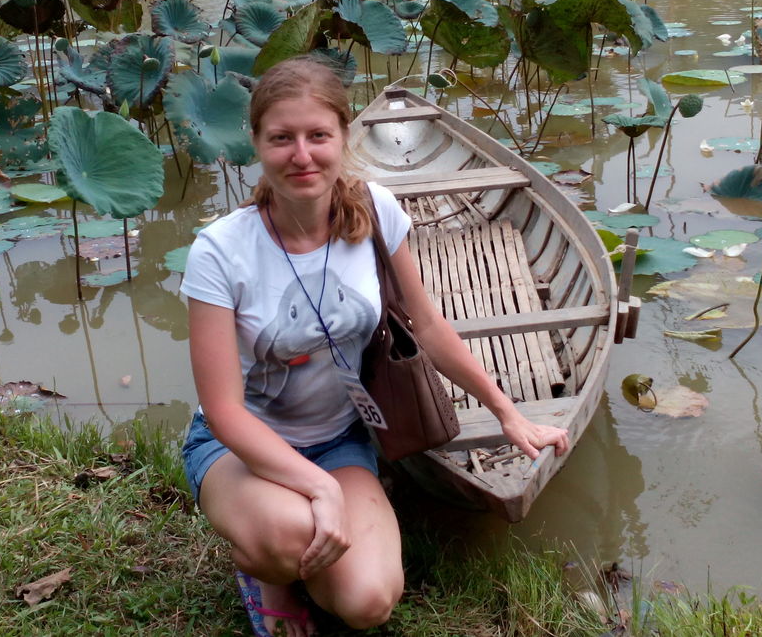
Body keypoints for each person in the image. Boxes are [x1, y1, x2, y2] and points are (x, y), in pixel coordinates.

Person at [180, 57, 571, 635]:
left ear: (343, 136)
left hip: (339, 440)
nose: (302, 155)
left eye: (318, 136)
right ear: (257, 144)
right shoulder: (220, 252)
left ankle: (307, 549)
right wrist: (317, 491)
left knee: (368, 603)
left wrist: (506, 411)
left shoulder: (376, 211)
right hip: (242, 449)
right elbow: (224, 409)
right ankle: (267, 574)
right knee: (290, 537)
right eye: (281, 138)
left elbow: (429, 326)